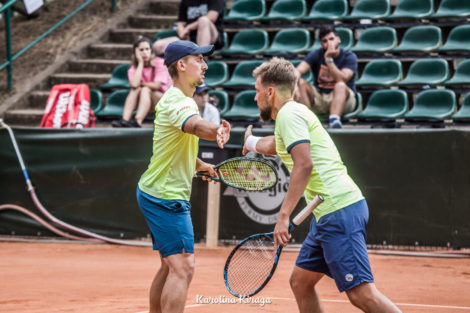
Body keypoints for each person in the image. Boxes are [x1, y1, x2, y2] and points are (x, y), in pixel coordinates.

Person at [243, 57, 402, 313]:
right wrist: (250, 142)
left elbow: (304, 165)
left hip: (339, 209)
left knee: (362, 294)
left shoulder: (288, 115)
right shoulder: (295, 113)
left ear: (270, 92)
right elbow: (275, 145)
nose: (255, 98)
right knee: (301, 282)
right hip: (327, 212)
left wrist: (283, 216)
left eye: (257, 91)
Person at [136, 40, 231, 313]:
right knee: (184, 267)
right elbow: (194, 126)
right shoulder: (180, 102)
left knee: (170, 265)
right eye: (199, 59)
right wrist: (216, 131)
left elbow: (174, 144)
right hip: (165, 197)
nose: (205, 65)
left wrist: (198, 164)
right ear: (181, 65)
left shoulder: (178, 99)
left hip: (156, 191)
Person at [295, 25, 358, 129]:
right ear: (321, 44)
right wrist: (295, 85)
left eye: (331, 39)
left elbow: (342, 78)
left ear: (338, 40)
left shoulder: (349, 56)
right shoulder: (316, 54)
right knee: (300, 82)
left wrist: (328, 59)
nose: (329, 43)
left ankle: (334, 120)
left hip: (344, 100)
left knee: (340, 85)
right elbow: (297, 71)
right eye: (325, 41)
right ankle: (307, 122)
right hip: (320, 97)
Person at [112, 37, 172, 128]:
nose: (145, 52)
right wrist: (140, 63)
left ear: (151, 51)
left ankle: (138, 121)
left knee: (144, 89)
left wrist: (142, 84)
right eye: (141, 50)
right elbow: (134, 85)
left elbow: (157, 85)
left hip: (165, 102)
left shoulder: (160, 63)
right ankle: (125, 120)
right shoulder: (134, 68)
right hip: (147, 103)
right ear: (136, 53)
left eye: (147, 49)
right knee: (135, 89)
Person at [152, 0, 225, 56]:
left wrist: (188, 28)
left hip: (212, 37)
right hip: (190, 38)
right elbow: (180, 23)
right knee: (157, 46)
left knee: (203, 20)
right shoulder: (186, 1)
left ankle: (201, 57)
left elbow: (211, 17)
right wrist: (182, 34)